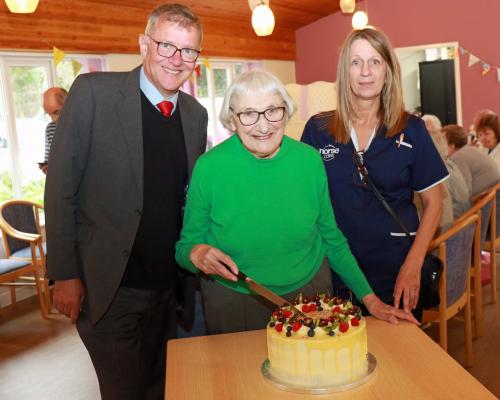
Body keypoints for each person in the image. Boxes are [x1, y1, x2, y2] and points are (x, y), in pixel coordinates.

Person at [44, 4, 207, 400]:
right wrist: (65, 274)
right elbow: (60, 187)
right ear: (143, 44)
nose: (176, 59)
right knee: (124, 391)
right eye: (167, 46)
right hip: (109, 288)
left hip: (168, 288)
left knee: (161, 387)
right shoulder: (93, 94)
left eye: (188, 51)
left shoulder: (195, 115)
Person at [175, 70, 418, 335]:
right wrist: (196, 253)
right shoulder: (209, 168)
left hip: (310, 294)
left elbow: (331, 237)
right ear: (231, 119)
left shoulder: (309, 161)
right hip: (235, 300)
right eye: (248, 114)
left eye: (272, 111)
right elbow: (185, 247)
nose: (263, 125)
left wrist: (369, 299)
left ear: (286, 111)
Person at [301, 27, 448, 319]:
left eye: (375, 62)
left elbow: (435, 202)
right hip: (335, 271)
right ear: (345, 72)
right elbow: (301, 201)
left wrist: (413, 264)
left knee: (401, 360)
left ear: (388, 71)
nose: (365, 71)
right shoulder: (318, 130)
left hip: (396, 271)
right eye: (356, 62)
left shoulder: (412, 129)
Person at [444, 124, 500, 196]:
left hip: (489, 202)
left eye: (442, 142)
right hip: (491, 198)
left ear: (452, 145)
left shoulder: (458, 157)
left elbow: (463, 193)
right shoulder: (468, 150)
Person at [40, 87, 67, 174]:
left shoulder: (83, 124)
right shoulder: (50, 129)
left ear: (68, 104)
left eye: (56, 112)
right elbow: (48, 160)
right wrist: (46, 169)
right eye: (49, 114)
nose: (53, 119)